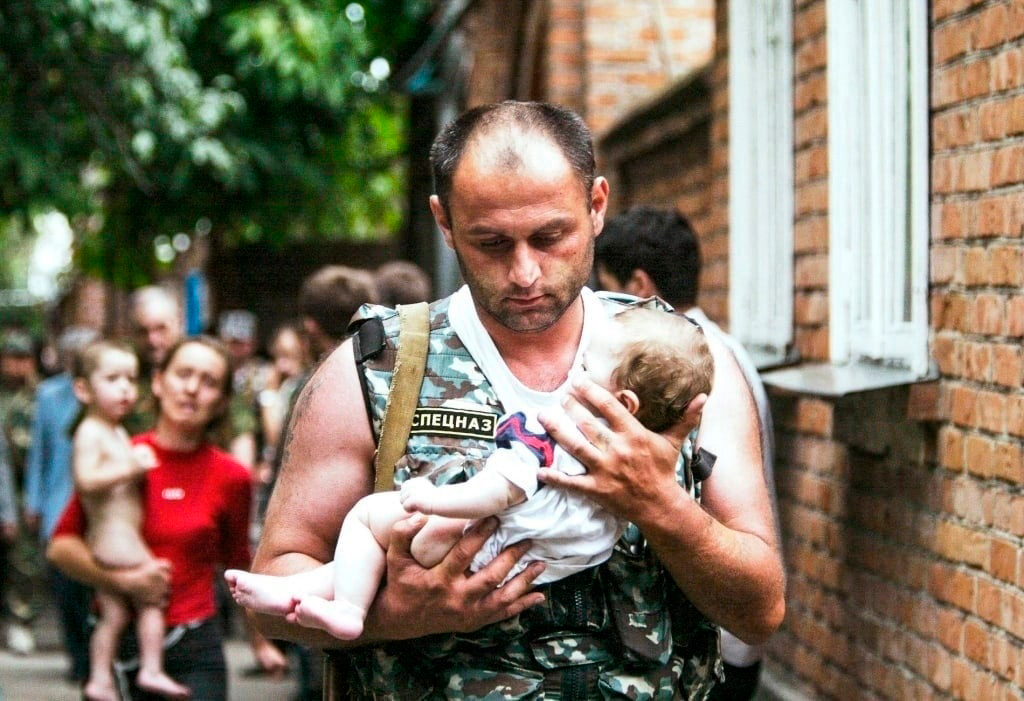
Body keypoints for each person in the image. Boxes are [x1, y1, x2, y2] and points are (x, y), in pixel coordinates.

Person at [251, 100, 784, 698]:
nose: (525, 272)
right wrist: (396, 615)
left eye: (550, 237)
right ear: (444, 222)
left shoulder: (684, 363)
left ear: (597, 206)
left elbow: (760, 612)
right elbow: (271, 593)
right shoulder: (378, 369)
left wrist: (661, 506)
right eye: (492, 243)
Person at [227, 307, 713, 641]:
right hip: (528, 563)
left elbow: (499, 490)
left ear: (623, 401)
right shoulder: (637, 470)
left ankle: (348, 609)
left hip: (471, 539)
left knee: (368, 520)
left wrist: (434, 499)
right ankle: (295, 593)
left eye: (585, 368)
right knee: (369, 559)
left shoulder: (555, 435)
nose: (573, 376)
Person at [595, 205, 781, 700]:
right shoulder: (725, 351)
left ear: (639, 286)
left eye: (609, 287)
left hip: (718, 634)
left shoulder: (693, 365)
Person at [47, 336, 287, 700]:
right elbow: (61, 547)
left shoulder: (231, 476)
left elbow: (237, 562)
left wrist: (260, 643)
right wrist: (125, 581)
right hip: (119, 647)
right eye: (183, 374)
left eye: (209, 382)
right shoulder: (123, 459)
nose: (192, 388)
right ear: (158, 382)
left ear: (222, 401)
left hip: (195, 646)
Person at [70, 340, 190, 701]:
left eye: (130, 379)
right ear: (83, 390)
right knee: (152, 594)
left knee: (115, 616)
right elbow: (85, 480)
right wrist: (130, 467)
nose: (125, 388)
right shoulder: (90, 431)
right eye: (112, 379)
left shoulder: (116, 430)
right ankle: (151, 668)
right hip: (115, 539)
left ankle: (99, 679)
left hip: (116, 537)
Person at [24, 325, 99, 683]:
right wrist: (34, 502)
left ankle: (98, 657)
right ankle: (78, 657)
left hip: (97, 505)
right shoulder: (48, 395)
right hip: (58, 501)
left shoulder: (103, 391)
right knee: (67, 589)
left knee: (96, 588)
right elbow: (39, 452)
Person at [0, 328, 41, 654]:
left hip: (24, 486)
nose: (16, 365)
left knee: (24, 559)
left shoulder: (39, 397)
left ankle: (21, 619)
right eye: (10, 358)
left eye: (23, 358)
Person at [125, 286, 183, 436]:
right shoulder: (121, 370)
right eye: (142, 331)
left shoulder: (198, 365)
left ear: (179, 323)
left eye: (161, 329)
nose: (152, 340)